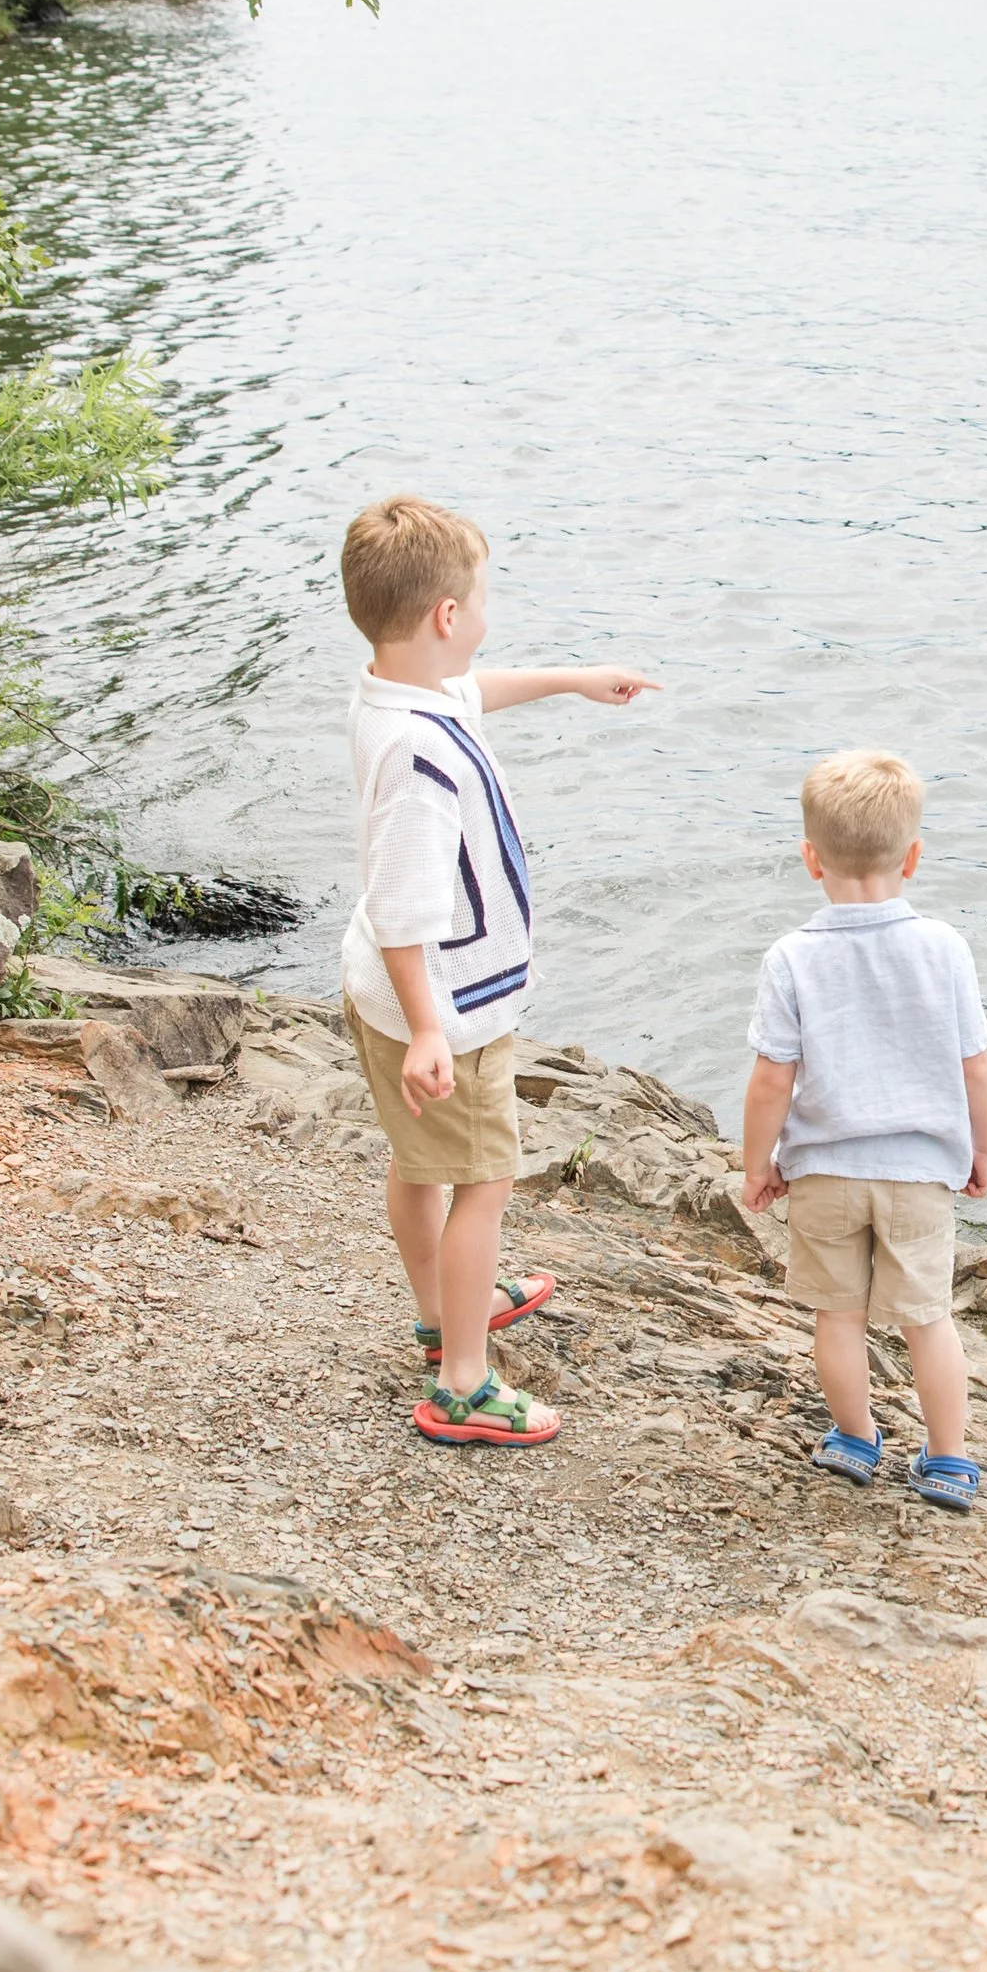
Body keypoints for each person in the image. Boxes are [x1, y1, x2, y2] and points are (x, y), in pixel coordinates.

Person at [337, 493, 652, 1448]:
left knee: (421, 1160)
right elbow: (404, 905)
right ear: (447, 615)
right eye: (481, 599)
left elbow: (478, 688)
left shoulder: (398, 692)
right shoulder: (421, 754)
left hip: (386, 989)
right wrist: (430, 1030)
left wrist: (575, 681)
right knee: (483, 1181)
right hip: (445, 1009)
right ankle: (464, 1383)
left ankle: (444, 1311)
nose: (485, 614)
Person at [740, 748, 987, 1511]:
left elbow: (772, 1079)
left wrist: (758, 1164)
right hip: (919, 1174)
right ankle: (948, 1459)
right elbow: (977, 1068)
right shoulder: (944, 947)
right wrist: (980, 1150)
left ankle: (855, 1439)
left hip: (825, 1174)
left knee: (839, 1317)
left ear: (810, 858)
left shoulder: (791, 958)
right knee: (929, 1321)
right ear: (912, 857)